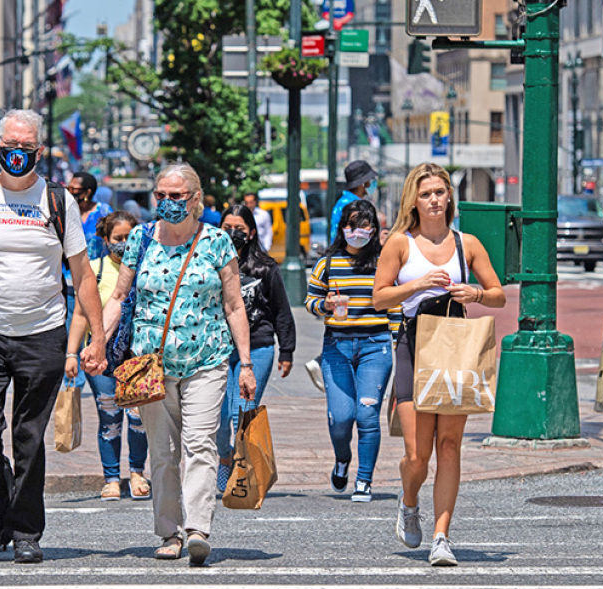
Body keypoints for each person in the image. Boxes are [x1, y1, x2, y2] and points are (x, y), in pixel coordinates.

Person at [0, 109, 107, 565]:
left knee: (29, 435)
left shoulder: (57, 201)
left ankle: (26, 529)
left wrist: (98, 337)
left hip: (42, 332)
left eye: (28, 150)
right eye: (11, 148)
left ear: (38, 151)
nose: (19, 156)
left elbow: (82, 274)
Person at [101, 162, 255, 565]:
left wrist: (246, 362)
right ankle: (169, 532)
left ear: (195, 200)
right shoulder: (141, 239)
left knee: (201, 444)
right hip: (152, 365)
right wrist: (97, 341)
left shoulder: (218, 242)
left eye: (176, 196)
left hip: (206, 359)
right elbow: (118, 297)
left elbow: (234, 304)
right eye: (161, 196)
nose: (167, 203)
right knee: (163, 452)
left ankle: (198, 529)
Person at [373, 162, 505, 566]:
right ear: (413, 199)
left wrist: (476, 294)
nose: (434, 200)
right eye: (426, 193)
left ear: (450, 196)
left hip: (453, 347)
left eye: (439, 192)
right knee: (418, 455)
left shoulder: (468, 244)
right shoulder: (399, 243)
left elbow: (499, 293)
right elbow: (380, 297)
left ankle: (441, 536)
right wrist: (416, 285)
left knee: (449, 446)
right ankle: (408, 499)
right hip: (413, 344)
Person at [305, 199, 396, 503]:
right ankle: (342, 458)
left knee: (367, 414)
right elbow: (310, 302)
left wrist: (397, 340)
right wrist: (325, 305)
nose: (357, 231)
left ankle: (364, 480)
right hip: (337, 347)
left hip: (375, 345)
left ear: (374, 228)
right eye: (351, 224)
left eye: (364, 225)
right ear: (342, 227)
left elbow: (396, 304)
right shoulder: (327, 263)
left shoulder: (385, 262)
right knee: (341, 418)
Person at [65, 210, 150, 502]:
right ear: (105, 239)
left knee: (138, 417)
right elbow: (79, 314)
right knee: (110, 417)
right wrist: (71, 354)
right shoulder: (95, 270)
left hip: (138, 357)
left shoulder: (146, 268)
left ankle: (138, 472)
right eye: (118, 238)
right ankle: (112, 478)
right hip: (100, 358)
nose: (124, 244)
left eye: (129, 238)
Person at [214, 204, 296, 493]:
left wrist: (287, 350)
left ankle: (243, 472)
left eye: (239, 229)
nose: (233, 234)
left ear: (250, 233)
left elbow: (281, 310)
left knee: (243, 411)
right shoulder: (209, 262)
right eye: (227, 228)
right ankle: (224, 459)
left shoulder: (266, 267)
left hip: (259, 346)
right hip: (219, 348)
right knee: (219, 417)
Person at [330, 160, 378, 242]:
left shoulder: (344, 201)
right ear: (362, 183)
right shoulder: (354, 206)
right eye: (370, 179)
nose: (372, 183)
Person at [68, 172, 112, 259]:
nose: (70, 192)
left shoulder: (104, 211)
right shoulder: (66, 210)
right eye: (68, 188)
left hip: (97, 269)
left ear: (87, 192)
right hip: (69, 270)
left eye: (74, 189)